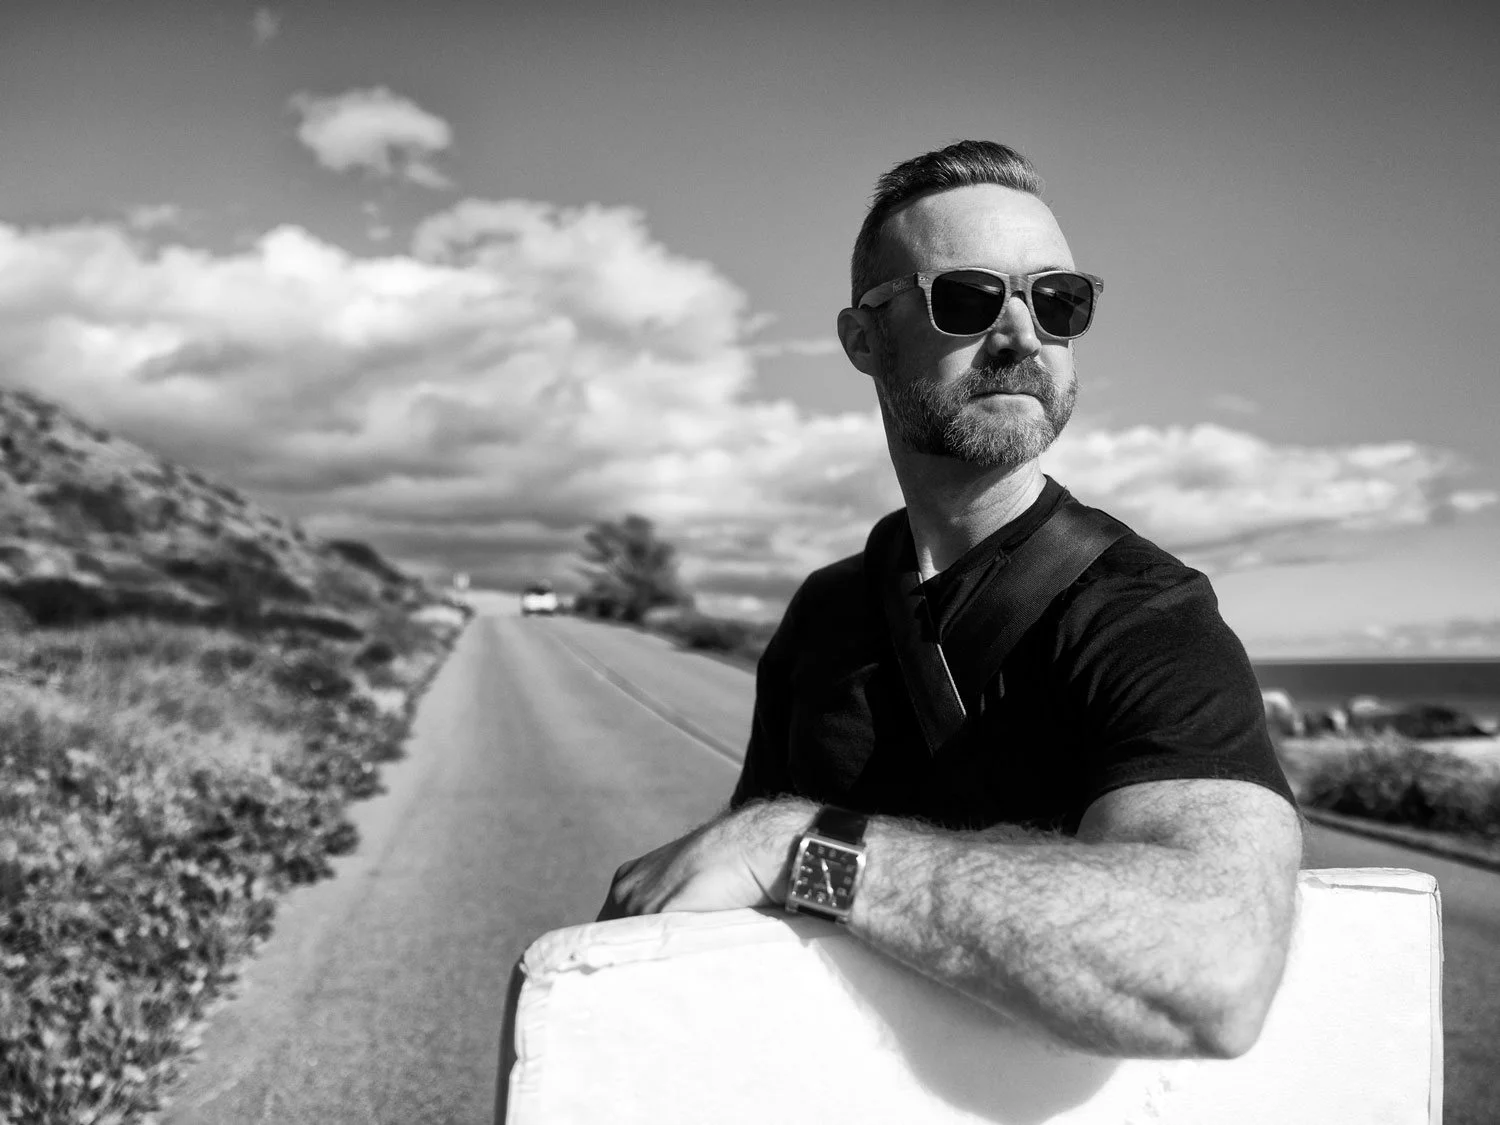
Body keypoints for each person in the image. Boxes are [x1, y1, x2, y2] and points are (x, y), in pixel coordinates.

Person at [598, 140, 1303, 1060]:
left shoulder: (1144, 612)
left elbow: (1212, 972)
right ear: (864, 338)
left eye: (1058, 301)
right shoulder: (827, 613)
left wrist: (805, 845)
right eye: (967, 299)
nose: (1022, 333)